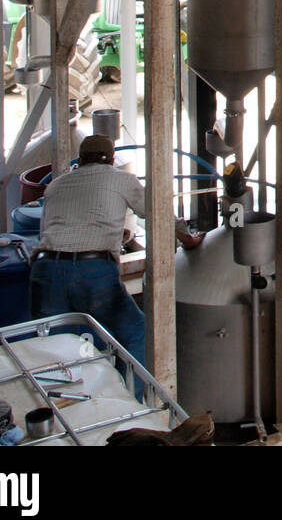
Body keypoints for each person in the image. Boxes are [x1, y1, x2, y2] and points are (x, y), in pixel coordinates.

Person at [29, 134, 201, 369]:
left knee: (54, 348)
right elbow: (158, 215)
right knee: (136, 334)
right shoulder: (122, 180)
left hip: (46, 269)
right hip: (92, 271)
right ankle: (130, 400)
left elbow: (50, 230)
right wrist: (188, 240)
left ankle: (58, 402)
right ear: (111, 161)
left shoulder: (56, 184)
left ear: (79, 160)